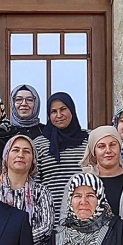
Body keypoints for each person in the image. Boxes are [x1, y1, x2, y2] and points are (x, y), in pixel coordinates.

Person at [34, 92, 89, 223]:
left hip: (85, 216)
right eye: (53, 111)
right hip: (50, 218)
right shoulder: (39, 144)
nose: (59, 115)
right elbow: (35, 182)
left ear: (72, 110)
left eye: (63, 109)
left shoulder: (89, 140)